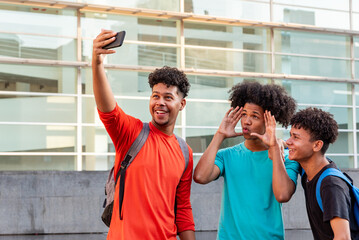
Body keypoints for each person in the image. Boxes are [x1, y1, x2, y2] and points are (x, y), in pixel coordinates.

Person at [92, 29, 195, 240]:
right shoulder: (131, 133)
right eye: (155, 96)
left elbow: (183, 209)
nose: (160, 102)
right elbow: (108, 111)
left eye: (168, 97)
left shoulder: (185, 152)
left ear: (181, 104)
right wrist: (97, 63)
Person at [193, 81, 300, 239]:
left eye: (254, 116)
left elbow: (283, 195)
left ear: (269, 121)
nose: (246, 121)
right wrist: (219, 135)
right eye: (244, 114)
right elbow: (200, 177)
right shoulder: (227, 155)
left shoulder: (286, 157)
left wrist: (275, 150)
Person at [284, 107, 359, 239]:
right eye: (290, 135)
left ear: (317, 145)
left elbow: (343, 237)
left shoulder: (331, 184)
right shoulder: (309, 171)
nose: (288, 141)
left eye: (295, 137)